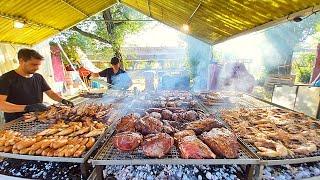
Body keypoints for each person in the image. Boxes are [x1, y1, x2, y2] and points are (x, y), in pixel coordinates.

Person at [0, 48, 74, 123]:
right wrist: (27, 108)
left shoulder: (38, 77)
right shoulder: (6, 78)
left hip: (39, 119)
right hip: (16, 123)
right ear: (21, 61)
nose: (37, 68)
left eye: (38, 65)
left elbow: (50, 93)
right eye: (33, 64)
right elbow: (1, 104)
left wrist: (62, 100)